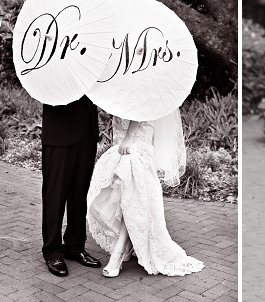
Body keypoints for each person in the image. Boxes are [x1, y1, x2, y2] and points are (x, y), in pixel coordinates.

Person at [86, 109, 203, 277]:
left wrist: (129, 136)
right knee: (123, 188)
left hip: (137, 131)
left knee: (131, 188)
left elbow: (141, 103)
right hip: (121, 125)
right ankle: (126, 243)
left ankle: (119, 252)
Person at [42, 95, 102, 277]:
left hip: (87, 133)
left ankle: (75, 246)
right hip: (59, 132)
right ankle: (52, 251)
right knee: (55, 196)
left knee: (79, 194)